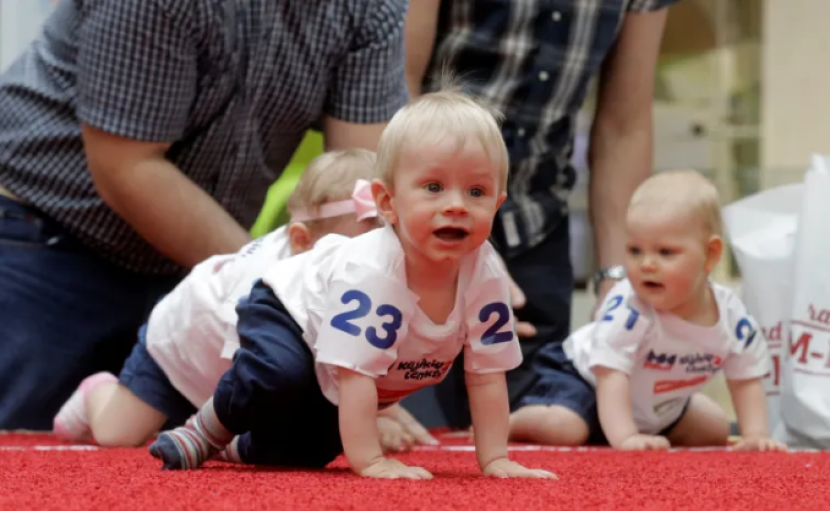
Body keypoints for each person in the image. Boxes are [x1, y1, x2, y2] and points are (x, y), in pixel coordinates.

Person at [0, 0, 409, 430]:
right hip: (46, 244)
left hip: (198, 271)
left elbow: (365, 185)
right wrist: (285, 305)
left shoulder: (367, 7)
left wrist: (358, 372)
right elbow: (127, 166)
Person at [145, 89, 557, 480]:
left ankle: (235, 448)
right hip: (290, 309)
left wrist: (496, 459)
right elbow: (357, 375)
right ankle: (206, 429)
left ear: (497, 204)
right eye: (433, 187)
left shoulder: (486, 276)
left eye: (476, 191)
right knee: (278, 372)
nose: (455, 204)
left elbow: (486, 375)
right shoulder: (376, 271)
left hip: (346, 358)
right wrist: (371, 460)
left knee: (310, 451)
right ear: (386, 203)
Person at [401, 0, 682, 429]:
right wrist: (446, 242)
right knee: (412, 437)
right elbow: (398, 83)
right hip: (424, 234)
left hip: (534, 230)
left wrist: (618, 277)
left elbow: (625, 123)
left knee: (544, 435)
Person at [52, 148, 384, 447]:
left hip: (226, 360)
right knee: (117, 434)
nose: (371, 263)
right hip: (179, 344)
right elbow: (251, 365)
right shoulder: (263, 283)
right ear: (302, 241)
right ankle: (96, 390)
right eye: (354, 253)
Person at [509, 170, 787, 451]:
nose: (646, 264)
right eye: (635, 251)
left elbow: (746, 378)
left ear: (711, 254)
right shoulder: (629, 307)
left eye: (665, 252)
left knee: (714, 428)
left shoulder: (732, 318)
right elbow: (610, 375)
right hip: (585, 381)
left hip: (656, 402)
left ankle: (617, 428)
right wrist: (626, 436)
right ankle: (512, 421)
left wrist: (755, 433)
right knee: (565, 428)